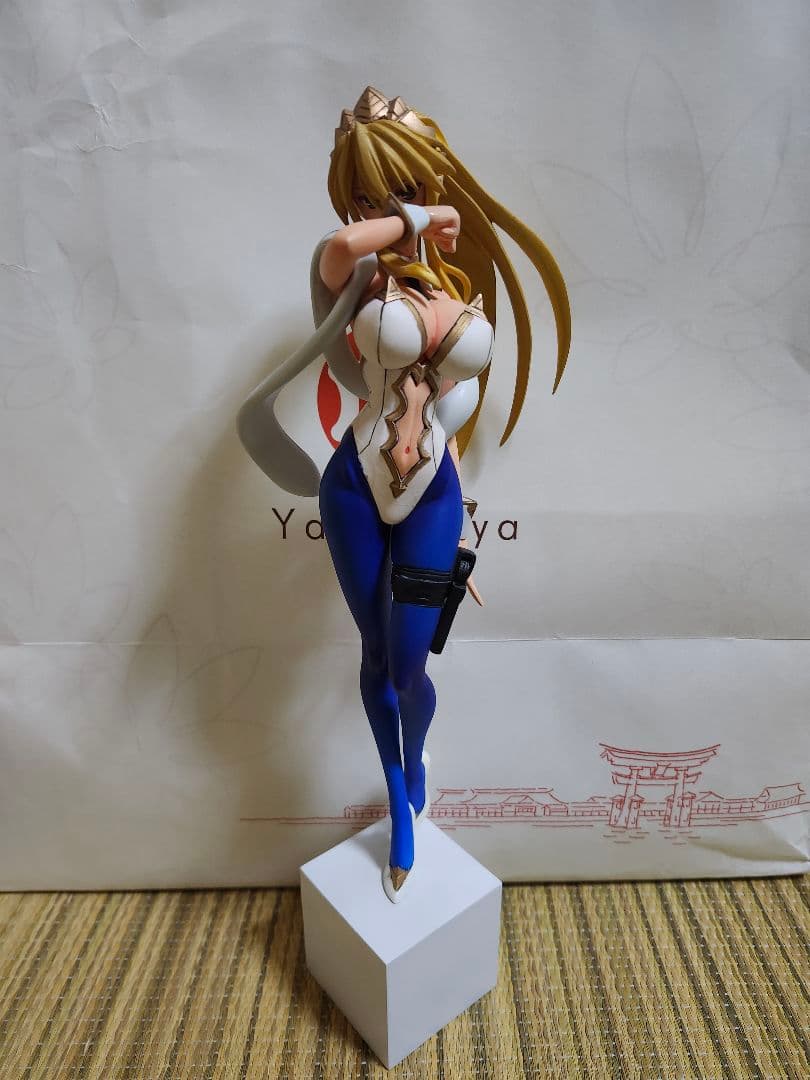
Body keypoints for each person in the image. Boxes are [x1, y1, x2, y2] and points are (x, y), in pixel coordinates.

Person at [237, 86, 570, 902]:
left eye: (402, 190)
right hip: (354, 485)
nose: (380, 210)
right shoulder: (353, 280)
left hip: (432, 494)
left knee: (411, 667)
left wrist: (456, 517)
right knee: (377, 659)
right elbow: (341, 242)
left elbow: (455, 407)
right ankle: (400, 803)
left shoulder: (461, 292)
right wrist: (420, 218)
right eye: (366, 195)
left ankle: (412, 756)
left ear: (431, 175)